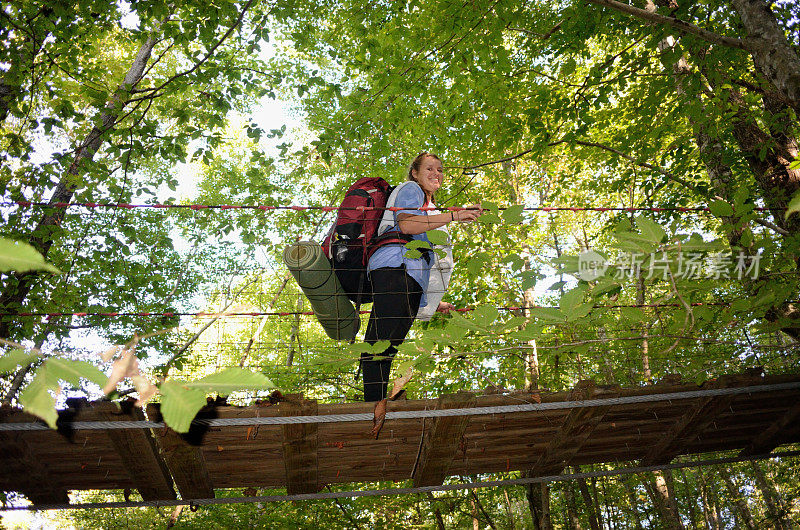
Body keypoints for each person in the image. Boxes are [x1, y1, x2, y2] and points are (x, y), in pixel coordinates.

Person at [361, 152, 481, 401]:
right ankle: (374, 408)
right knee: (379, 349)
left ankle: (375, 407)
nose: (436, 173)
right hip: (397, 271)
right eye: (429, 168)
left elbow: (421, 257)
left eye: (440, 170)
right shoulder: (411, 189)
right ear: (414, 173)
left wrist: (435, 303)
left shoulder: (430, 209)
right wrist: (456, 214)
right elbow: (406, 224)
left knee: (381, 349)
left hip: (403, 276)